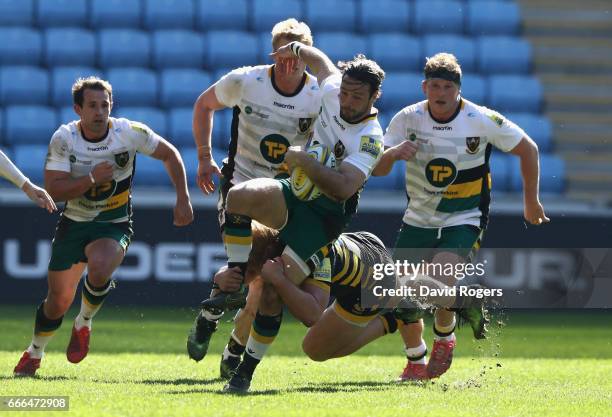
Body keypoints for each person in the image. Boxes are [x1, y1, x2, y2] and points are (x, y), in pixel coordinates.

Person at [191, 37, 385, 374]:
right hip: (296, 193)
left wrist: (303, 161)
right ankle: (236, 280)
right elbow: (320, 60)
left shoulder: (370, 138)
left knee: (269, 288)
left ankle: (244, 372)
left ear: (373, 97)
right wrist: (294, 49)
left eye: (357, 96)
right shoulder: (332, 89)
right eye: (344, 93)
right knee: (238, 198)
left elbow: (344, 187)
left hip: (323, 220)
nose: (347, 101)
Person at [372, 52, 549, 381]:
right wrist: (393, 154)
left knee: (440, 280)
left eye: (448, 87)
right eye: (435, 86)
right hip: (417, 218)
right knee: (400, 291)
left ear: (459, 90)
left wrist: (531, 202)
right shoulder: (406, 119)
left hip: (464, 217)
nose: (441, 93)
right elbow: (378, 169)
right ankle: (415, 360)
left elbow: (529, 149)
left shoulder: (480, 119)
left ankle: (444, 338)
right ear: (424, 87)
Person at [13, 76, 193, 377]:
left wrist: (183, 197)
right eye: (93, 106)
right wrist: (91, 178)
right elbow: (54, 190)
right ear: (77, 109)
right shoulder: (64, 139)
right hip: (74, 222)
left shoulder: (129, 132)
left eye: (105, 105)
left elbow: (169, 154)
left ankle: (83, 322)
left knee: (99, 267)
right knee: (57, 302)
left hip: (114, 222)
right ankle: (35, 351)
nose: (100, 112)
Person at [186, 19, 321, 377]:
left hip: (285, 198)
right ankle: (222, 330)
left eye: (298, 52)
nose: (290, 60)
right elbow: (204, 105)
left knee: (264, 279)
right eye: (284, 51)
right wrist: (203, 156)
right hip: (240, 191)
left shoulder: (321, 94)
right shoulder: (246, 81)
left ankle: (223, 331)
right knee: (255, 274)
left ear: (308, 56)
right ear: (273, 52)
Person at [217, 226, 487, 393]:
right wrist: (222, 278)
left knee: (396, 289)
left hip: (366, 278)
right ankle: (396, 315)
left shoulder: (307, 255)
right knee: (314, 349)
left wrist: (278, 280)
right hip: (359, 251)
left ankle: (455, 298)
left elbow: (311, 314)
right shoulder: (278, 242)